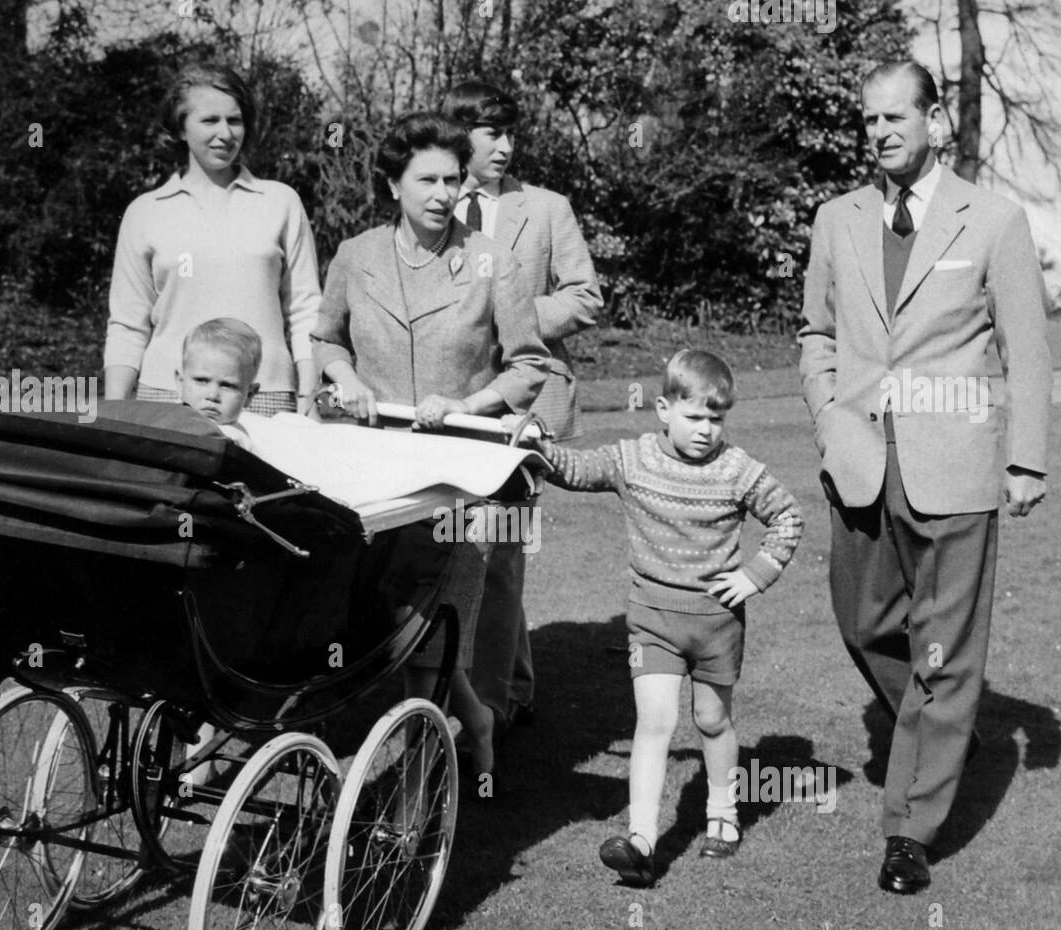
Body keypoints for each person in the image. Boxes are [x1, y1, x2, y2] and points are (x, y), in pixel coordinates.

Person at [799, 61, 1052, 895]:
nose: (879, 131)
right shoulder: (837, 218)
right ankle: (950, 715)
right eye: (868, 119)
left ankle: (909, 830)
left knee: (944, 650)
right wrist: (827, 414)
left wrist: (1026, 457)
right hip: (862, 461)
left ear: (934, 119)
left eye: (895, 116)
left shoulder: (996, 218)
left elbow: (1028, 345)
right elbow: (815, 332)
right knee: (864, 621)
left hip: (958, 468)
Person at [310, 111, 550, 790]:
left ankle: (413, 803)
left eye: (454, 178)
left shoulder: (490, 259)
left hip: (463, 478)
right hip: (374, 474)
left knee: (436, 635)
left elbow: (528, 364)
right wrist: (346, 378)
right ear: (393, 184)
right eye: (428, 179)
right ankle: (468, 721)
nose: (444, 192)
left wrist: (469, 406)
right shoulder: (356, 256)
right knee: (386, 623)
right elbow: (326, 338)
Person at [537, 350, 803, 886]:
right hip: (651, 619)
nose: (706, 430)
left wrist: (754, 575)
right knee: (654, 722)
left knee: (711, 720)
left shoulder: (737, 469)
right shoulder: (632, 459)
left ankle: (723, 813)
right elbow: (577, 469)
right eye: (694, 416)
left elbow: (789, 517)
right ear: (663, 408)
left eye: (716, 418)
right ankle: (640, 840)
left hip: (716, 623)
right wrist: (534, 447)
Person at [442, 80, 604, 739]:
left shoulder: (547, 209)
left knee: (502, 546)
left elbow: (585, 297)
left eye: (511, 132)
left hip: (522, 399)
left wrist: (512, 314)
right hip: (446, 399)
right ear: (459, 137)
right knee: (455, 547)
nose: (506, 146)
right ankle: (512, 684)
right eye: (491, 133)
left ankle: (491, 709)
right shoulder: (432, 201)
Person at [104, 63, 321, 416]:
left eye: (234, 121)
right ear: (180, 128)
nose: (225, 133)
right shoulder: (146, 211)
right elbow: (128, 323)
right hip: (166, 394)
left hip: (264, 393)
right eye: (209, 121)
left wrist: (308, 396)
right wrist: (115, 410)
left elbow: (305, 310)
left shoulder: (281, 202)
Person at [173, 317, 270, 448]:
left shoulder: (234, 441)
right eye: (202, 380)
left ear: (249, 395)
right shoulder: (163, 419)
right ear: (180, 382)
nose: (212, 396)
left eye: (228, 386)